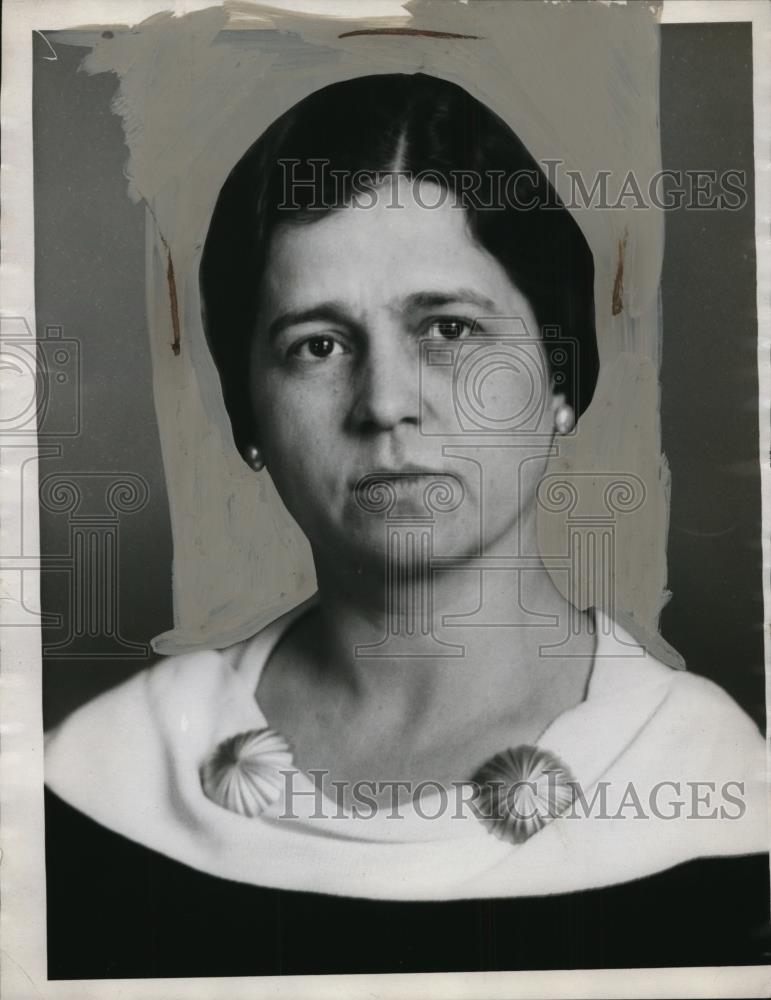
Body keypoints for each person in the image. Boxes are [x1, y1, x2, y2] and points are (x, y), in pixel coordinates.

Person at [44, 73, 768, 978]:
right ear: (248, 416)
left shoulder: (715, 788)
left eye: (450, 331)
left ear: (556, 378)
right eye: (318, 345)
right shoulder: (104, 777)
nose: (386, 403)